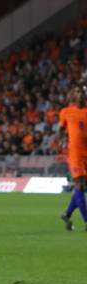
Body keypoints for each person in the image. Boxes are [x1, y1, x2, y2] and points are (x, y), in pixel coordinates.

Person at [59, 86, 87, 231]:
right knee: (80, 186)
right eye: (77, 92)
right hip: (75, 153)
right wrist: (62, 140)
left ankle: (67, 214)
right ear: (73, 97)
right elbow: (61, 130)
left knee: (82, 188)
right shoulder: (66, 112)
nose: (81, 95)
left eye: (82, 93)